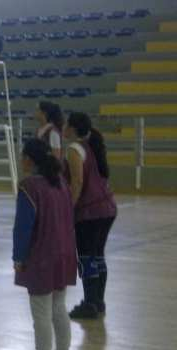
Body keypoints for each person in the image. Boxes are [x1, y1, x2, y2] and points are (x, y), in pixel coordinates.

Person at [13, 138, 76, 350]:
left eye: (22, 156)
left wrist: (19, 257)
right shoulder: (60, 182)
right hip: (64, 253)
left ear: (30, 159)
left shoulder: (29, 186)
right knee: (59, 308)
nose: (21, 160)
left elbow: (23, 228)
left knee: (41, 313)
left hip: (41, 256)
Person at [64, 112, 117, 320]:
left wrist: (69, 208)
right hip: (107, 208)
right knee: (97, 256)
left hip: (91, 211)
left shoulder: (75, 149)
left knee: (86, 257)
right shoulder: (93, 145)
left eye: (67, 124)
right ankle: (98, 301)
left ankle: (89, 303)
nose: (64, 127)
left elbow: (76, 182)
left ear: (74, 128)